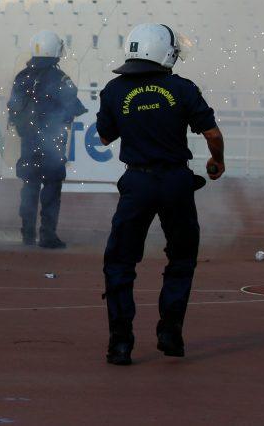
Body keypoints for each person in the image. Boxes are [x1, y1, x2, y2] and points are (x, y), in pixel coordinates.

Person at [95, 23, 224, 366]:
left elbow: (105, 138)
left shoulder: (113, 90)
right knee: (181, 258)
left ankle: (120, 343)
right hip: (176, 183)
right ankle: (170, 333)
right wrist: (217, 160)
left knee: (120, 263)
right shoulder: (182, 88)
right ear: (165, 53)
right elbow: (211, 133)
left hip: (136, 184)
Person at [6, 30, 87, 249]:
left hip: (28, 143)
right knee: (51, 188)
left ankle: (27, 234)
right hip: (52, 143)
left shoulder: (22, 77)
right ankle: (48, 236)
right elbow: (75, 108)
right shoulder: (60, 78)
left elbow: (13, 109)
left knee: (29, 187)